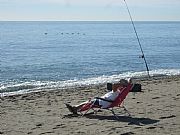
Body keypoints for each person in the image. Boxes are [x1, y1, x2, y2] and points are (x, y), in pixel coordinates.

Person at [65, 78, 132, 114]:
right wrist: (127, 83)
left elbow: (114, 85)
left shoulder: (116, 92)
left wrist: (123, 84)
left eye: (120, 82)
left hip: (104, 102)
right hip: (106, 102)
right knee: (89, 102)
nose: (118, 83)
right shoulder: (118, 92)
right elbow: (116, 85)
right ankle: (76, 108)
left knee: (90, 102)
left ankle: (76, 109)